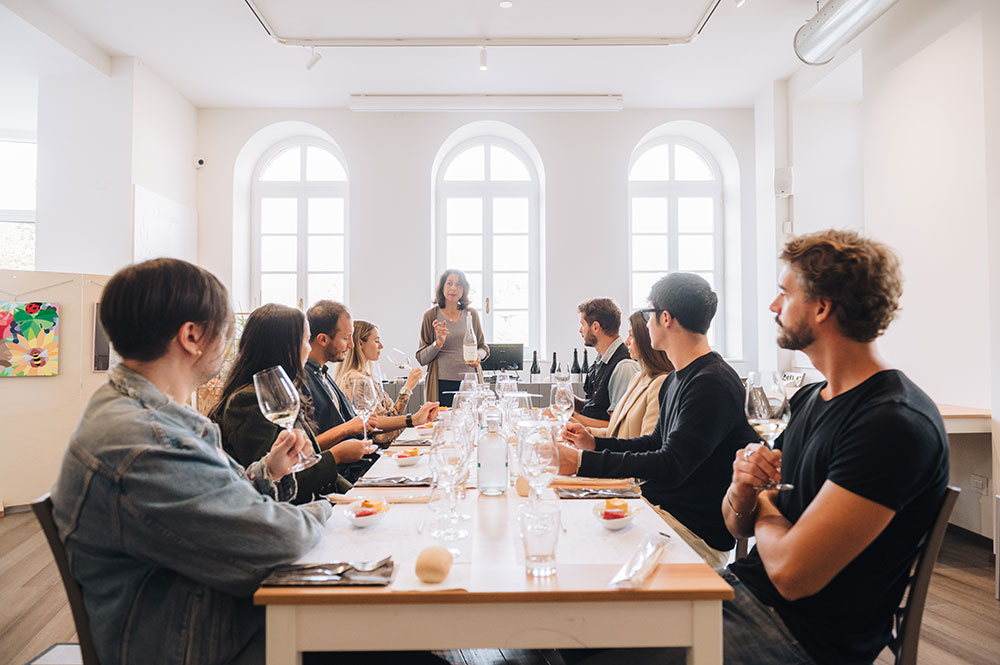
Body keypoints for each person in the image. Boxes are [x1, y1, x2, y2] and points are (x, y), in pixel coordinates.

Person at [50, 258, 330, 665]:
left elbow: (207, 504)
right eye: (226, 331)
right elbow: (277, 539)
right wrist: (333, 512)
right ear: (192, 336)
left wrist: (267, 471)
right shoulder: (146, 441)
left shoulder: (136, 410)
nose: (229, 345)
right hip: (201, 640)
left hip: (208, 613)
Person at [719, 230, 950, 665]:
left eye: (784, 294)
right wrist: (743, 487)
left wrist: (765, 501)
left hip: (797, 636)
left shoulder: (893, 424)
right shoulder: (809, 398)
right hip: (743, 595)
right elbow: (736, 526)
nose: (773, 307)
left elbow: (791, 575)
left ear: (821, 307)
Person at [560, 274, 755, 568]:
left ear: (666, 318)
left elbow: (670, 465)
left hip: (690, 533)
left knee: (575, 551)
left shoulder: (711, 383)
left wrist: (580, 463)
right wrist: (594, 444)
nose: (644, 323)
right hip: (660, 511)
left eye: (648, 314)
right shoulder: (680, 376)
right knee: (568, 529)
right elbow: (654, 442)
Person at [210, 303, 356, 498]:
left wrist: (356, 495)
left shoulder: (282, 391)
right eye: (306, 340)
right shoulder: (249, 399)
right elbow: (276, 483)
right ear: (288, 348)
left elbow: (310, 461)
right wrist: (335, 457)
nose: (309, 347)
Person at [336, 319, 439, 445]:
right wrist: (408, 388)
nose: (381, 346)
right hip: (374, 450)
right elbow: (375, 428)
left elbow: (391, 416)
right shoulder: (355, 380)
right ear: (360, 344)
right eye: (376, 341)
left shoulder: (368, 377)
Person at [584, 310, 674, 439]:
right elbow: (616, 432)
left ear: (646, 340)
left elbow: (646, 446)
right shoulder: (637, 378)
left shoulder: (660, 383)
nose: (626, 342)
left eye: (631, 335)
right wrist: (586, 432)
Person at [416, 269, 489, 407]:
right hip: (440, 383)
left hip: (470, 382)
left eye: (458, 284)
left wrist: (477, 356)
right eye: (449, 283)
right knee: (441, 425)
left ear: (464, 289)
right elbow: (421, 358)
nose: (453, 288)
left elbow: (484, 348)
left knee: (471, 423)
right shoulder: (430, 316)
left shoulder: (471, 314)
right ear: (442, 287)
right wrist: (438, 343)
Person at [573, 298, 640, 427]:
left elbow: (617, 427)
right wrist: (574, 402)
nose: (580, 330)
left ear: (595, 327)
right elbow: (599, 407)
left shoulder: (624, 366)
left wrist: (572, 417)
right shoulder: (601, 360)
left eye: (583, 324)